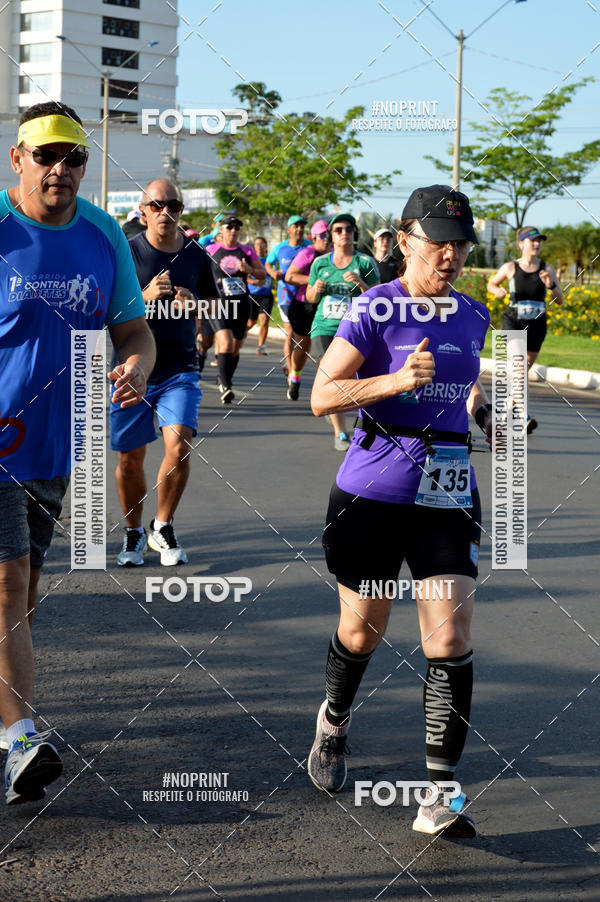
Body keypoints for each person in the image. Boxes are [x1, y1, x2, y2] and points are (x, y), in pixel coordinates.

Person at [308, 185, 493, 839]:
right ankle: (334, 717)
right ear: (407, 239)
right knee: (363, 633)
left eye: (460, 244)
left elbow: (464, 384)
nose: (449, 254)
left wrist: (486, 412)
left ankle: (439, 796)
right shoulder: (374, 307)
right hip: (372, 491)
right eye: (437, 241)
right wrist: (391, 382)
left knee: (448, 637)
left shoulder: (473, 315)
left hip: (447, 488)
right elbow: (322, 395)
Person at [0, 101, 155, 804]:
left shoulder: (102, 236)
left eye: (74, 158)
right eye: (46, 156)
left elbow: (134, 331)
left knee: (22, 595)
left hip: (58, 449)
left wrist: (136, 366)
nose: (60, 169)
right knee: (6, 587)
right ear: (18, 159)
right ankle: (19, 742)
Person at [112, 178, 218, 567]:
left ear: (181, 210)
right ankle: (133, 532)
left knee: (180, 443)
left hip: (180, 369)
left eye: (172, 204)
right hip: (132, 370)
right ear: (143, 212)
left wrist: (195, 304)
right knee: (130, 458)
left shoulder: (196, 255)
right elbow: (109, 312)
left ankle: (163, 524)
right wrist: (144, 297)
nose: (165, 212)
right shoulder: (127, 253)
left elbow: (214, 308)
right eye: (156, 205)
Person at [306, 213, 380, 449]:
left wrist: (361, 284)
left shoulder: (365, 263)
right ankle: (340, 433)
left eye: (348, 229)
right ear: (331, 235)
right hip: (324, 326)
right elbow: (309, 297)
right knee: (331, 376)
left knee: (350, 378)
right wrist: (316, 289)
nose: (344, 233)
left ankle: (342, 411)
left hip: (354, 329)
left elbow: (380, 299)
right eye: (338, 230)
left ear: (354, 234)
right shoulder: (320, 263)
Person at [487, 226, 563, 434]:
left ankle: (503, 412)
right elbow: (491, 284)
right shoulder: (511, 267)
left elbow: (560, 300)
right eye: (532, 240)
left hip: (537, 325)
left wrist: (551, 285)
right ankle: (522, 416)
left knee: (522, 371)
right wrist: (498, 290)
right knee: (520, 368)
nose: (537, 244)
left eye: (539, 240)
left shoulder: (547, 269)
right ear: (521, 244)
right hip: (513, 322)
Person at [206, 215, 266, 403]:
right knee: (225, 342)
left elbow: (262, 275)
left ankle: (224, 379)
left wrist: (249, 269)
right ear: (220, 230)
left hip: (240, 303)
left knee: (236, 346)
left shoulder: (246, 251)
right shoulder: (210, 250)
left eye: (237, 227)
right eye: (229, 227)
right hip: (218, 304)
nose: (233, 230)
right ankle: (226, 386)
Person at [284, 220, 331, 400]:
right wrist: (313, 282)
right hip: (304, 306)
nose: (326, 240)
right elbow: (290, 276)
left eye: (328, 235)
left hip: (326, 308)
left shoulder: (335, 256)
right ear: (314, 238)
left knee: (325, 349)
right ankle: (294, 377)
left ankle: (325, 389)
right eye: (322, 236)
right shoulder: (308, 253)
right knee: (303, 347)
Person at [265, 215, 311, 377]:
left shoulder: (309, 247)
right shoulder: (280, 248)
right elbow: (268, 263)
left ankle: (292, 366)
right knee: (290, 333)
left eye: (302, 226)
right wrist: (273, 273)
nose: (299, 229)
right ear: (289, 229)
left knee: (304, 336)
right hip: (285, 296)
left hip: (304, 298)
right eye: (296, 226)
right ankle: (292, 373)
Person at [247, 237, 274, 355]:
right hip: (253, 295)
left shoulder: (270, 260)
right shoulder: (251, 260)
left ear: (265, 246)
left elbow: (273, 274)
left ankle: (261, 346)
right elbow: (244, 277)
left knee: (264, 321)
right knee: (251, 323)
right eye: (257, 244)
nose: (259, 246)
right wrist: (254, 282)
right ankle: (240, 336)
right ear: (254, 246)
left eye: (262, 244)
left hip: (266, 295)